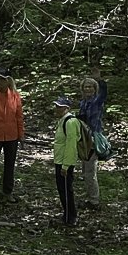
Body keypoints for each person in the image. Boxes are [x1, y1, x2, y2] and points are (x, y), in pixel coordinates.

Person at [51, 98, 88, 229]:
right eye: (56, 106)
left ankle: (70, 218)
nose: (57, 108)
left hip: (64, 162)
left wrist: (66, 165)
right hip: (60, 160)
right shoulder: (63, 121)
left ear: (67, 108)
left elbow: (71, 145)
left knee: (66, 191)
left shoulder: (70, 122)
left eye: (60, 106)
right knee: (62, 190)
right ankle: (67, 215)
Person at [77, 75, 108, 206]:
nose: (88, 89)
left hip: (93, 139)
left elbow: (103, 94)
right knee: (85, 170)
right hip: (83, 138)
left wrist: (100, 81)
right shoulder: (83, 103)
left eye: (90, 86)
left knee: (90, 171)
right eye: (86, 87)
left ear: (95, 89)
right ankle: (89, 196)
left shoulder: (97, 101)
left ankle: (94, 200)